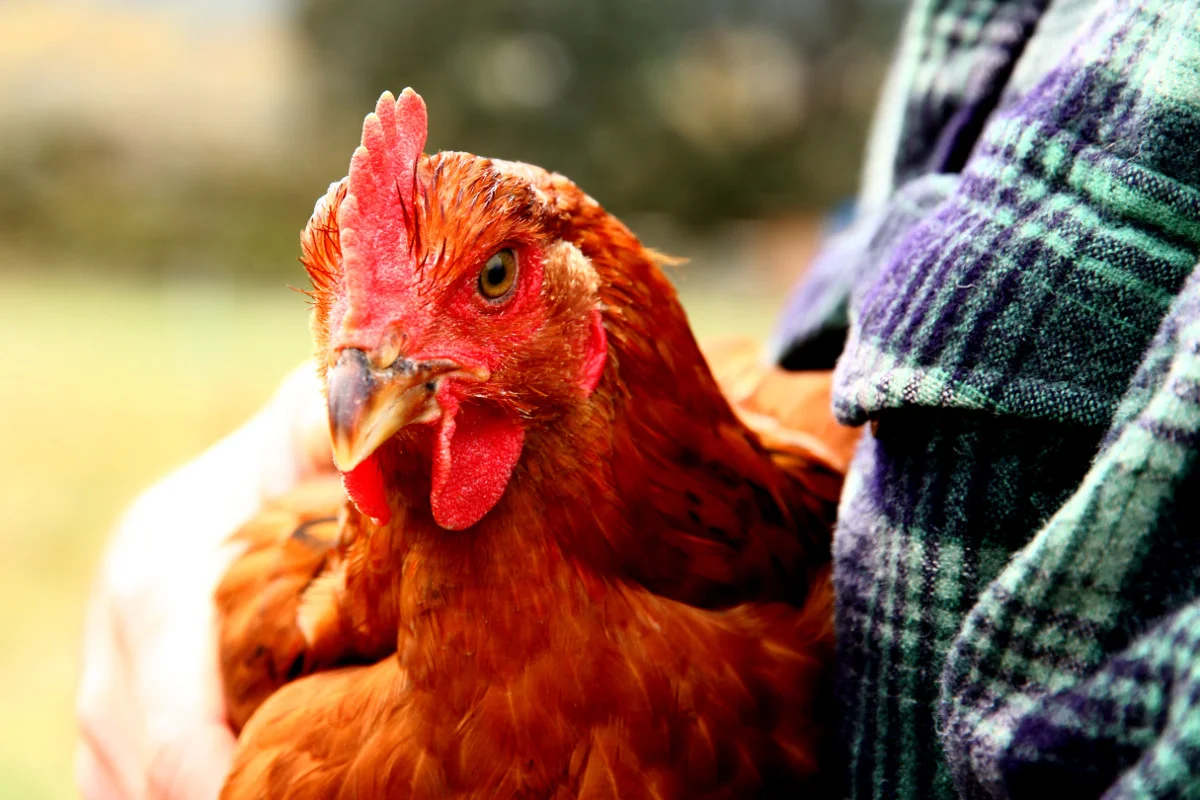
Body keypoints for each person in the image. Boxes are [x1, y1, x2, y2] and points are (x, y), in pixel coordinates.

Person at [78, 0, 1200, 797]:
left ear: (597, 310)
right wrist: (180, 538)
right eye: (347, 332)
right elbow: (892, 244)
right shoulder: (303, 665)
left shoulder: (801, 635)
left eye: (497, 280)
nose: (368, 361)